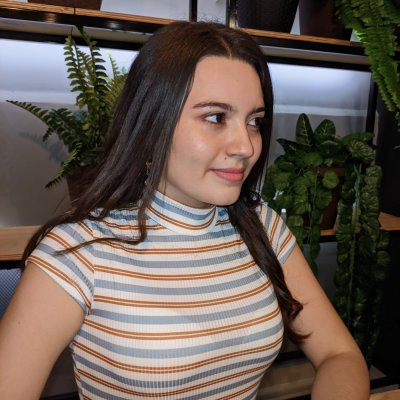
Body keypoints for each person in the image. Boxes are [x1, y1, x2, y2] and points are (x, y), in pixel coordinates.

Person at [0, 21, 369, 400]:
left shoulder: (263, 227)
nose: (246, 146)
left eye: (254, 122)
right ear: (152, 123)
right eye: (216, 117)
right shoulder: (78, 252)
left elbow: (340, 355)